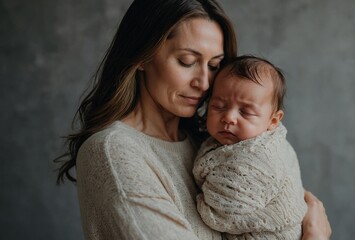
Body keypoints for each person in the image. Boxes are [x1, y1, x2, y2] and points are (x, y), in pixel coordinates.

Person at [54, 0, 331, 239]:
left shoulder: (213, 141)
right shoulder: (114, 152)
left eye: (213, 66)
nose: (204, 82)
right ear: (141, 56)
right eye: (187, 61)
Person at [193, 55, 307, 239]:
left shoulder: (254, 161)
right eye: (218, 106)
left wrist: (201, 201)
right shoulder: (232, 140)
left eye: (245, 111)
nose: (229, 117)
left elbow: (223, 213)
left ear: (273, 121)